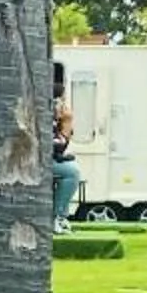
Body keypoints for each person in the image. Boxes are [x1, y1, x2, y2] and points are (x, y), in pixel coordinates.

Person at [51, 64, 83, 233]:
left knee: (71, 168)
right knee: (72, 172)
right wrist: (67, 123)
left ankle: (60, 216)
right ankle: (56, 217)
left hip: (46, 158)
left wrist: (66, 124)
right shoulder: (46, 111)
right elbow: (56, 146)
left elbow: (60, 147)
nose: (61, 104)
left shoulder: (56, 115)